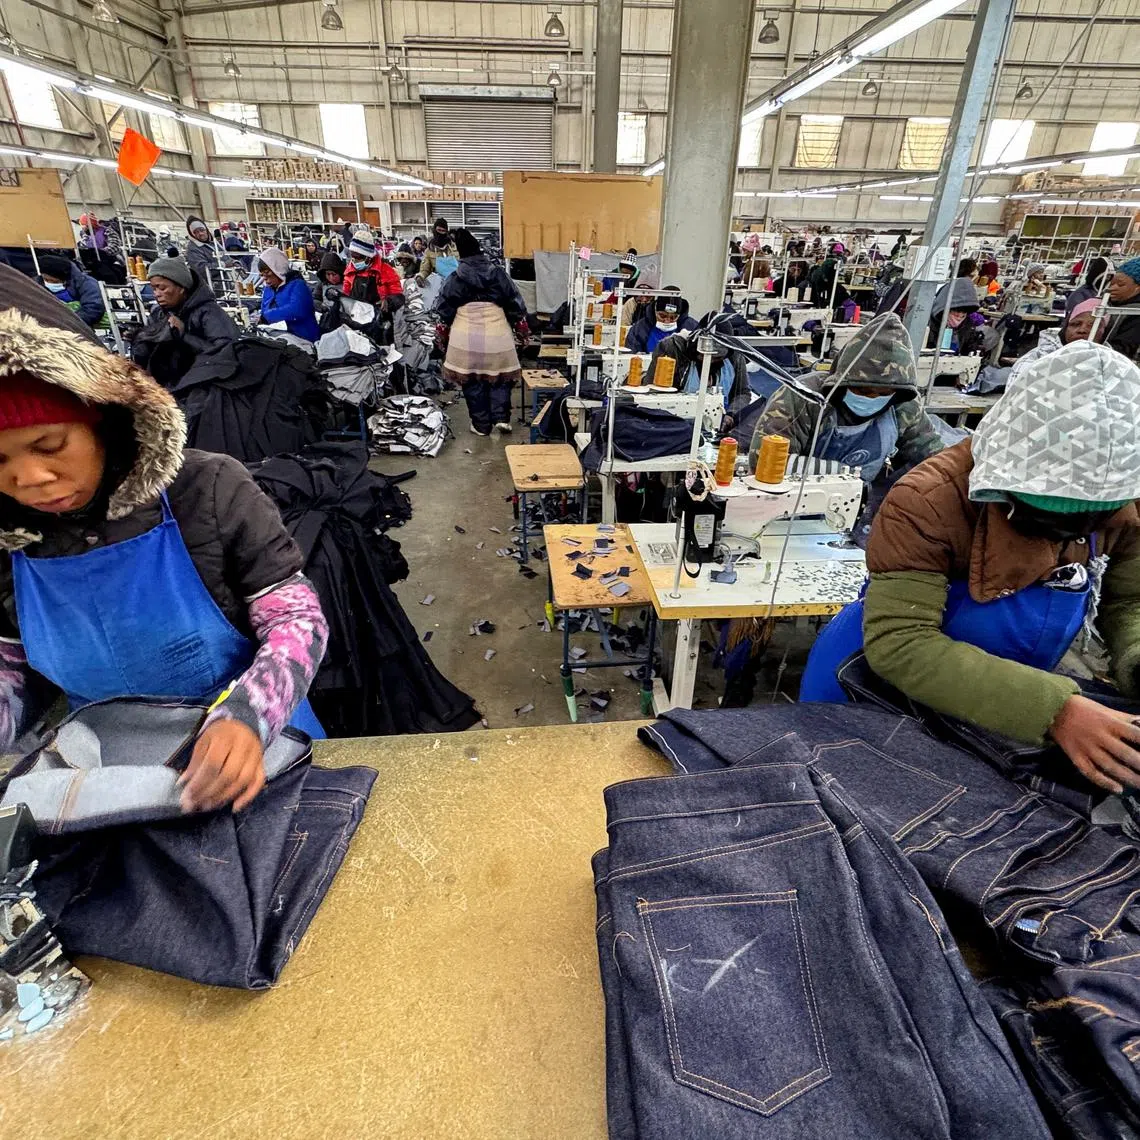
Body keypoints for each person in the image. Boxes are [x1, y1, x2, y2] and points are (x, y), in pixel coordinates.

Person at [0, 271, 329, 810]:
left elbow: (297, 619)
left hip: (253, 754)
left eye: (50, 444)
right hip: (107, 772)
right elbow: (11, 659)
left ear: (101, 421)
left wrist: (249, 714)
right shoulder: (8, 536)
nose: (29, 478)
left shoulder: (208, 490)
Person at [801, 341, 1140, 795]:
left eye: (1091, 518)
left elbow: (1130, 601)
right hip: (874, 685)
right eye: (1045, 515)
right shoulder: (929, 500)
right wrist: (1055, 710)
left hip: (997, 697)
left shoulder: (1124, 496)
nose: (1069, 533)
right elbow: (903, 642)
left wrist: (1136, 660)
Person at [748, 313, 944, 532]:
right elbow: (764, 462)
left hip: (856, 517)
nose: (871, 398)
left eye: (883, 392)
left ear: (897, 393)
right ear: (841, 381)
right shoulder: (801, 397)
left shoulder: (903, 407)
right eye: (861, 389)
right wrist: (850, 475)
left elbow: (935, 463)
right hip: (784, 513)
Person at [435, 228, 529, 437]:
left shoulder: (454, 278)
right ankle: (501, 418)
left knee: (472, 381)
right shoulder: (498, 274)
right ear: (480, 250)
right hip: (497, 333)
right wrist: (521, 331)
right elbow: (515, 304)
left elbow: (443, 310)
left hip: (465, 336)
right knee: (500, 377)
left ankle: (481, 425)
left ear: (461, 254)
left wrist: (443, 335)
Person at [132, 256, 239, 389]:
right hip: (169, 389)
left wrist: (184, 336)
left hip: (204, 387)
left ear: (182, 287)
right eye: (154, 289)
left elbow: (228, 354)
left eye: (162, 288)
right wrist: (139, 339)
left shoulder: (209, 313)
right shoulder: (159, 314)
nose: (157, 294)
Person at [257, 247, 320, 343]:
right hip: (281, 338)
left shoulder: (298, 285)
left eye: (268, 274)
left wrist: (267, 316)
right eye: (263, 275)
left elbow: (297, 310)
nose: (266, 279)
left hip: (304, 338)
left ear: (278, 269)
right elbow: (264, 310)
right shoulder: (268, 289)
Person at [37, 254, 107, 329]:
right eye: (46, 280)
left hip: (78, 326)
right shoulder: (37, 283)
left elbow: (93, 309)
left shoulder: (86, 283)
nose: (49, 283)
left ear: (65, 279)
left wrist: (66, 322)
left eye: (54, 281)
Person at [342, 234, 405, 311]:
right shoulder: (350, 272)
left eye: (358, 257)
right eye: (353, 256)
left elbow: (398, 295)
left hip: (379, 315)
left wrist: (389, 302)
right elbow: (345, 294)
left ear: (368, 257)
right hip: (355, 315)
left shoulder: (385, 270)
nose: (354, 261)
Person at [625, 289, 698, 353]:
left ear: (679, 316)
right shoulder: (641, 328)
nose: (667, 321)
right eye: (662, 316)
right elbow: (630, 351)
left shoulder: (691, 327)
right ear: (655, 311)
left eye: (673, 317)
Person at [929, 276, 981, 351]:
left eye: (965, 311)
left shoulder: (967, 328)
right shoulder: (928, 326)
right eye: (957, 310)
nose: (960, 315)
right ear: (945, 309)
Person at [1104, 258, 1140, 362]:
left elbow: (1122, 350)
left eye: (1120, 284)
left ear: (1138, 288)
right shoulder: (1108, 303)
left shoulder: (1135, 314)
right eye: (1111, 283)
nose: (1112, 288)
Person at [184, 216, 220, 282]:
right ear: (192, 234)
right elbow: (202, 271)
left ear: (206, 229)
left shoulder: (213, 242)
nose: (200, 233)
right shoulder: (192, 249)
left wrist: (235, 262)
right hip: (213, 287)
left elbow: (226, 257)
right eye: (196, 232)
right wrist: (222, 264)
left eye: (201, 230)